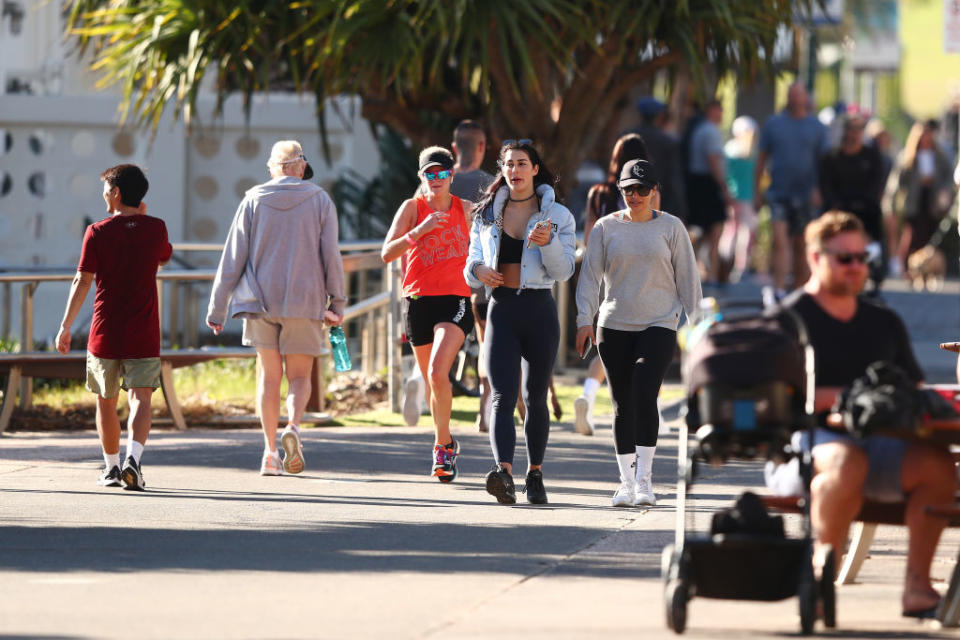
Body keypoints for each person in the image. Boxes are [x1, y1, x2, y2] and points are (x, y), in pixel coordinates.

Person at [777, 211, 956, 618]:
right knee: (846, 462)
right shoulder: (789, 321)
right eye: (845, 258)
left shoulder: (883, 321)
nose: (856, 267)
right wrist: (847, 398)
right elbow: (778, 399)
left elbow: (914, 389)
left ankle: (918, 588)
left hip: (883, 444)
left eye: (862, 258)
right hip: (810, 445)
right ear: (815, 258)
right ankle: (823, 571)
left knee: (938, 468)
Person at [207, 140, 346, 476]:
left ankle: (270, 453)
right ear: (299, 168)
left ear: (273, 168)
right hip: (305, 301)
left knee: (269, 379)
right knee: (299, 377)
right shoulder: (319, 200)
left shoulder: (253, 199)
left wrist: (217, 308)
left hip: (259, 302)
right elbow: (331, 255)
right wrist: (337, 301)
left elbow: (232, 256)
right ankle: (293, 427)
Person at [576, 159, 701, 507]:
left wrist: (699, 329)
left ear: (654, 191)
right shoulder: (605, 228)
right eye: (629, 189)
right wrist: (583, 319)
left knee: (645, 390)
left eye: (642, 190)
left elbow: (689, 282)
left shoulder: (672, 228)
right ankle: (626, 483)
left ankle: (645, 480)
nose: (635, 196)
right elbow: (589, 278)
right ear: (621, 191)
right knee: (622, 404)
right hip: (613, 326)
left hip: (659, 322)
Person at [464, 140, 576, 505]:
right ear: (503, 169)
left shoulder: (558, 216)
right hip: (501, 309)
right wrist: (479, 270)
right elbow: (470, 266)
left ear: (535, 169)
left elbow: (563, 271)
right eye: (509, 164)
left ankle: (536, 473)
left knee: (536, 397)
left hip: (539, 309)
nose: (515, 171)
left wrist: (547, 243)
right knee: (501, 395)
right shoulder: (486, 214)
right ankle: (504, 473)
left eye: (522, 163)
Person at [55, 164, 172, 490]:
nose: (104, 194)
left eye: (106, 189)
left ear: (116, 193)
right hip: (144, 329)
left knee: (105, 400)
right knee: (141, 398)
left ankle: (111, 468)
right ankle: (134, 459)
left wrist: (65, 326)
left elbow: (82, 280)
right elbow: (164, 257)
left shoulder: (97, 231)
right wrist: (143, 217)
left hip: (105, 330)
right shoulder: (156, 228)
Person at [382, 146, 474, 481]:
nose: (436, 179)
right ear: (421, 176)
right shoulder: (412, 208)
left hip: (455, 299)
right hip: (418, 301)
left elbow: (492, 236)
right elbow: (386, 253)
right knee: (434, 383)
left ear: (451, 176)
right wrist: (418, 232)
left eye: (442, 173)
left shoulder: (466, 209)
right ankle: (447, 441)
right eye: (429, 174)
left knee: (437, 372)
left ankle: (440, 447)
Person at [575, 133, 650, 437]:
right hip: (642, 274)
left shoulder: (599, 193)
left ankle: (589, 395)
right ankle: (647, 410)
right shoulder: (647, 191)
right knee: (645, 342)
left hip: (608, 273)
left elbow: (591, 237)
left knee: (614, 342)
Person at [754, 82, 829, 298]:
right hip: (779, 192)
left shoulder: (816, 127)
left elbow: (823, 162)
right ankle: (778, 289)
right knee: (780, 241)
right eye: (792, 95)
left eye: (799, 95)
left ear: (806, 97)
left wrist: (818, 189)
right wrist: (757, 192)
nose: (796, 99)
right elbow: (761, 159)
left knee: (802, 245)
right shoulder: (774, 124)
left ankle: (799, 293)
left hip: (806, 194)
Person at [449, 120, 495, 433]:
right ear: (482, 147)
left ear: (454, 148)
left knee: (440, 342)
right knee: (485, 342)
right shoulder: (492, 185)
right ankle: (484, 408)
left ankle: (417, 384)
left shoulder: (436, 182)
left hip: (440, 279)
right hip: (477, 279)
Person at [886, 120, 956, 274]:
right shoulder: (908, 156)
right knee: (913, 235)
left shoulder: (939, 156)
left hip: (932, 200)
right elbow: (897, 182)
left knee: (931, 236)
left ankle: (928, 268)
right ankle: (907, 267)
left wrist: (944, 192)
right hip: (914, 201)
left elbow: (948, 178)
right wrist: (891, 204)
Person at [686, 99, 733, 285]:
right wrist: (724, 189)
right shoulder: (710, 131)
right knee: (714, 232)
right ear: (712, 111)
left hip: (698, 185)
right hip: (708, 186)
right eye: (720, 110)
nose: (722, 114)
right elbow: (713, 161)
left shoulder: (698, 130)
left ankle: (697, 272)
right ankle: (711, 274)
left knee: (700, 233)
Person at [626, 97, 688, 221]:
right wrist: (681, 209)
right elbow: (674, 177)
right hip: (660, 199)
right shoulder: (668, 141)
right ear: (658, 116)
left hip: (628, 196)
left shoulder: (626, 137)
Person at [719, 115, 759, 283]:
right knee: (744, 234)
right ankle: (740, 267)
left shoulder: (728, 150)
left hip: (733, 197)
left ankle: (724, 265)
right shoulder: (751, 152)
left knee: (731, 231)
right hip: (746, 197)